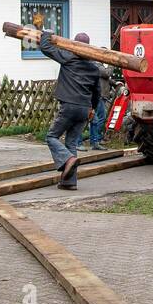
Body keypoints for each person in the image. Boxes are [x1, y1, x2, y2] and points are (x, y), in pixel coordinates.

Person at [36, 29, 102, 190]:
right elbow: (97, 93)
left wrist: (47, 34)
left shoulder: (68, 58)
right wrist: (92, 108)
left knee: (51, 137)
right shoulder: (94, 68)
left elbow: (46, 48)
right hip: (84, 109)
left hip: (69, 106)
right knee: (71, 142)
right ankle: (69, 182)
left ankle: (68, 159)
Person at [86, 65, 115, 150]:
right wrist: (111, 64)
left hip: (101, 95)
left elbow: (104, 78)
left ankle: (94, 140)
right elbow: (107, 73)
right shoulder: (96, 64)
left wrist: (114, 83)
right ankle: (96, 139)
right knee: (99, 118)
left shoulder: (98, 65)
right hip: (99, 96)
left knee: (96, 118)